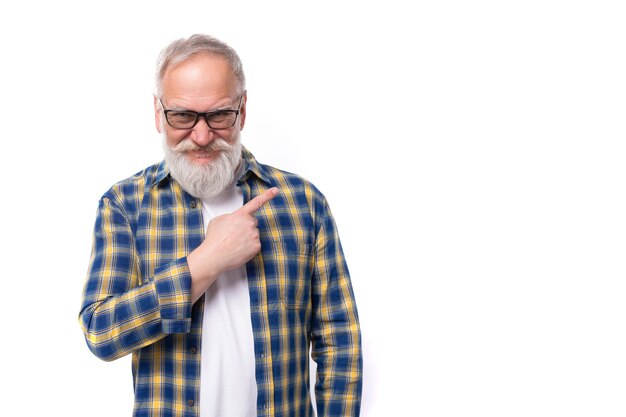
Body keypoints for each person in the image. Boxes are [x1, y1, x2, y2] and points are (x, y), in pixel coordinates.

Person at [78, 34, 362, 417]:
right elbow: (101, 332)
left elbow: (339, 341)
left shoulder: (303, 202)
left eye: (219, 115)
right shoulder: (125, 204)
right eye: (182, 115)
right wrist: (206, 262)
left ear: (242, 110)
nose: (201, 135)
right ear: (158, 114)